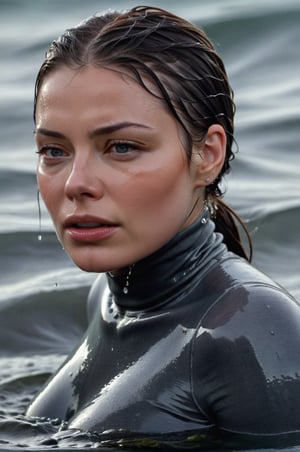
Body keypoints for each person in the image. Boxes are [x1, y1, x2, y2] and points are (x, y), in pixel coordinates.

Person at [26, 5, 300, 447]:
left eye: (121, 147)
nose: (76, 184)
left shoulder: (249, 329)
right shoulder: (109, 297)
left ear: (207, 154)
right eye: (53, 151)